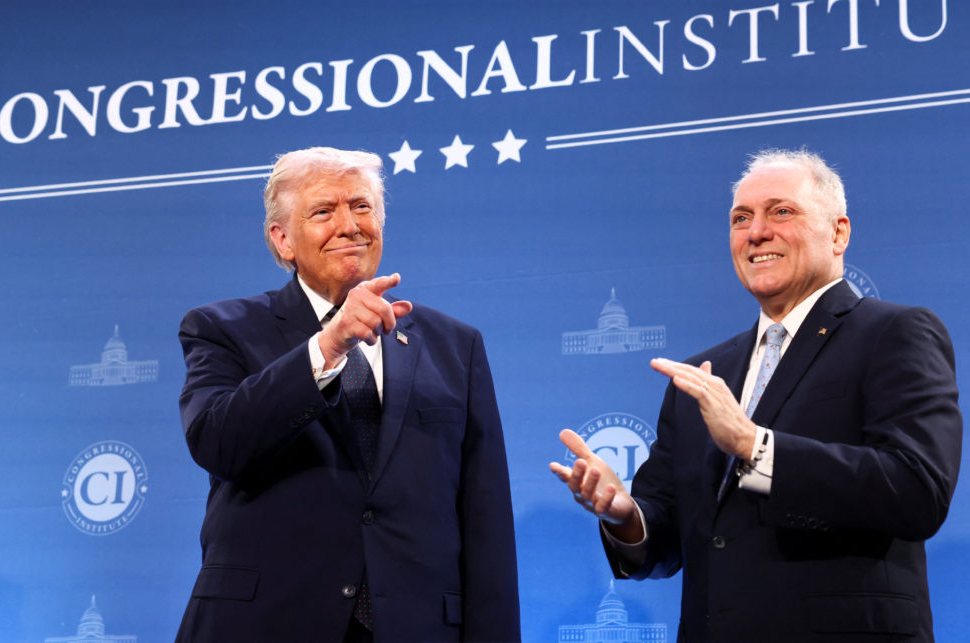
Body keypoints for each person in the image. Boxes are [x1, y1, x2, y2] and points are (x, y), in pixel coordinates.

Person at [551, 148, 961, 642]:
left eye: (781, 211)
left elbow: (917, 491)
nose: (756, 232)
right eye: (740, 218)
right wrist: (625, 515)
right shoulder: (705, 372)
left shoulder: (893, 333)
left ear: (838, 233)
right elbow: (666, 540)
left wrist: (756, 448)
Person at [175, 147, 520, 642]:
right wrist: (327, 345)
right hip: (265, 624)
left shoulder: (456, 346)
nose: (350, 225)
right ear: (283, 239)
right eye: (323, 211)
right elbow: (219, 443)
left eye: (362, 207)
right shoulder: (222, 328)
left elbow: (485, 520)